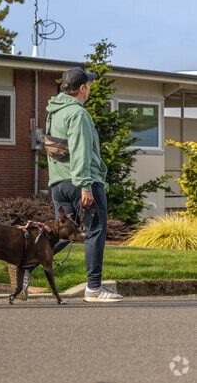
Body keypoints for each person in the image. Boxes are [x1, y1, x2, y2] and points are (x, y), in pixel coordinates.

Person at [44, 66, 123, 302]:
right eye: (88, 85)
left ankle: (25, 266)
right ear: (82, 88)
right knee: (95, 231)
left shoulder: (53, 112)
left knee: (60, 234)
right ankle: (94, 288)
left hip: (59, 183)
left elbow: (52, 147)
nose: (89, 89)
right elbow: (80, 152)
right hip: (81, 183)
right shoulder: (78, 114)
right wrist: (85, 185)